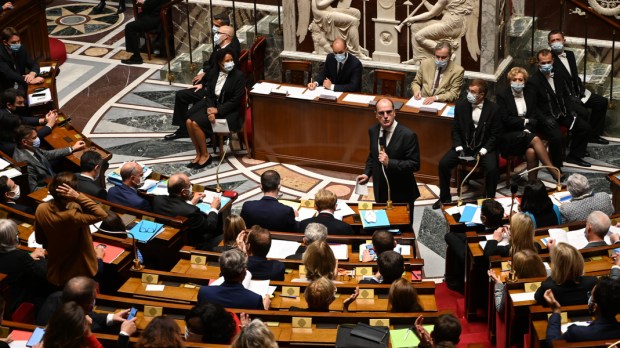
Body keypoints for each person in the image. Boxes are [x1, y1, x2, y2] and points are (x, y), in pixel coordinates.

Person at [433, 79, 502, 208]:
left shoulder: (494, 109)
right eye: (469, 90)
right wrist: (458, 146)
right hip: (464, 145)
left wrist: (484, 150)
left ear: (482, 94)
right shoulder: (461, 105)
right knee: (443, 163)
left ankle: (488, 201)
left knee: (492, 169)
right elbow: (456, 129)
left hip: (484, 147)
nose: (469, 94)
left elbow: (495, 135)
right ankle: (444, 198)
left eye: (473, 92)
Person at [165, 25, 241, 141]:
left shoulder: (230, 52)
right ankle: (183, 129)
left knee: (189, 108)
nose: (215, 34)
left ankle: (201, 133)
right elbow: (211, 67)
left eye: (218, 32)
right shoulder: (219, 47)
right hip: (210, 87)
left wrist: (205, 87)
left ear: (226, 36)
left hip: (215, 94)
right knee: (185, 103)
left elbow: (219, 77)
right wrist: (203, 79)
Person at [34, 172, 108, 286]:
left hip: (57, 270)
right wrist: (78, 196)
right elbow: (101, 214)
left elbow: (39, 239)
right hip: (80, 270)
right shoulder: (73, 216)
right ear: (71, 192)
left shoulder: (41, 208)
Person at [356, 98, 420, 225]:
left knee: (402, 227)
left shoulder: (408, 135)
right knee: (382, 224)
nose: (385, 116)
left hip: (402, 190)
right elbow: (373, 155)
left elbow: (415, 164)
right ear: (376, 115)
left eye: (389, 112)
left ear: (394, 113)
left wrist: (390, 163)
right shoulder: (373, 131)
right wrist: (367, 173)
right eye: (381, 113)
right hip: (380, 188)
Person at [529, 49, 592, 168]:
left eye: (548, 62)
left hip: (561, 113)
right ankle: (556, 167)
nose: (546, 65)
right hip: (546, 118)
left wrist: (571, 110)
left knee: (585, 127)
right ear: (538, 63)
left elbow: (565, 96)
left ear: (553, 61)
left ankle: (574, 156)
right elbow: (533, 106)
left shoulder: (558, 74)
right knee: (556, 137)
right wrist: (544, 119)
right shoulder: (533, 81)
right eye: (543, 63)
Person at [185, 47, 245, 168]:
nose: (230, 63)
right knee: (188, 122)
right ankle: (199, 154)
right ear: (219, 63)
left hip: (229, 112)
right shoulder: (214, 73)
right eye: (226, 61)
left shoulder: (239, 76)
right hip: (213, 107)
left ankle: (206, 155)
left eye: (231, 60)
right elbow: (210, 95)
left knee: (196, 124)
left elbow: (235, 101)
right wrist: (210, 110)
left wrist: (218, 111)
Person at [496, 67, 558, 181]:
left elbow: (533, 115)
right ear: (510, 81)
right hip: (509, 134)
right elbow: (505, 119)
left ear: (525, 81)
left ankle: (532, 183)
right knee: (535, 139)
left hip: (527, 132)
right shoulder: (502, 95)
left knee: (532, 151)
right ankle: (553, 171)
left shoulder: (530, 93)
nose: (517, 82)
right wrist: (525, 122)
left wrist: (527, 127)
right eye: (514, 79)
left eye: (521, 80)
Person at [548, 30, 609, 145]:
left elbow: (574, 76)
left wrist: (580, 89)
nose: (556, 42)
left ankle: (593, 135)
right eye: (553, 40)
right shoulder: (549, 60)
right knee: (582, 112)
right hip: (567, 97)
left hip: (578, 92)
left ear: (564, 41)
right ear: (549, 43)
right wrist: (572, 97)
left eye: (558, 39)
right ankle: (580, 143)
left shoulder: (570, 54)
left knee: (602, 102)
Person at [444, 199, 504, 293]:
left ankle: (454, 281)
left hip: (474, 260)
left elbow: (448, 237)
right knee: (456, 236)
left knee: (451, 236)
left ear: (483, 218)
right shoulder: (503, 231)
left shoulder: (491, 240)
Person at [36, 276, 133, 334]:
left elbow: (87, 314)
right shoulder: (88, 329)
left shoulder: (56, 297)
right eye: (93, 299)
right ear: (89, 306)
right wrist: (124, 333)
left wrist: (111, 317)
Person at [152, 173, 220, 249]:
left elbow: (176, 209)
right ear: (184, 192)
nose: (191, 187)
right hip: (191, 244)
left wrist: (191, 202)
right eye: (189, 185)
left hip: (169, 240)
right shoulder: (191, 211)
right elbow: (210, 227)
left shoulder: (158, 199)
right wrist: (214, 208)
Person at [544, 277, 620, 344]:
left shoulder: (576, 333)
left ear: (595, 306)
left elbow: (553, 344)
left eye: (592, 296)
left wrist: (556, 311)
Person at [13, 125, 86, 192]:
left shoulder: (27, 147)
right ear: (24, 142)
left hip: (53, 178)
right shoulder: (25, 162)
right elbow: (34, 189)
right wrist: (56, 188)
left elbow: (48, 154)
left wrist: (72, 148)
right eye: (34, 138)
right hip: (50, 187)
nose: (37, 139)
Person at [197, 248, 269, 310]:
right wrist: (265, 309)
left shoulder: (204, 292)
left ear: (221, 271)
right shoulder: (255, 300)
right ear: (244, 273)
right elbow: (259, 322)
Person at [0, 219, 47, 312]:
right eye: (16, 233)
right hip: (14, 300)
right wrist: (42, 258)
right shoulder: (20, 257)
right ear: (12, 238)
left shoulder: (21, 257)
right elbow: (43, 273)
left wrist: (30, 256)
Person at [0, 88, 57, 156]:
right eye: (19, 103)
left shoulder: (5, 111)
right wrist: (49, 125)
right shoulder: (6, 119)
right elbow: (30, 138)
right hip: (18, 152)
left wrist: (44, 120)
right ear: (9, 105)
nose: (23, 105)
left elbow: (22, 119)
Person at [120, 0, 169, 65]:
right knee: (139, 18)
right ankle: (143, 47)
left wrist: (144, 2)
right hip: (158, 18)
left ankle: (137, 57)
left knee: (129, 27)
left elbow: (148, 5)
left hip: (154, 20)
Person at [0, 27, 43, 92]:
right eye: (14, 42)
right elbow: (9, 73)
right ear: (5, 42)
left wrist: (32, 74)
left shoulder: (21, 48)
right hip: (7, 89)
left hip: (22, 84)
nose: (18, 45)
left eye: (19, 41)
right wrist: (29, 80)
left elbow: (33, 64)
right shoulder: (1, 54)